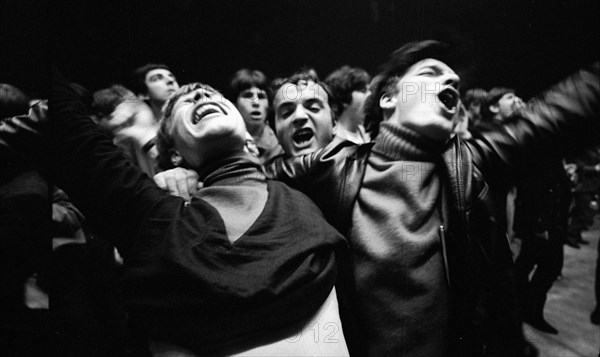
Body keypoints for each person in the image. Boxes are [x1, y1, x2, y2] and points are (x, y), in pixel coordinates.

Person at [261, 42, 599, 356]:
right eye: (428, 74)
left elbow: (560, 114)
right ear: (388, 99)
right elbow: (257, 179)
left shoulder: (468, 165)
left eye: (452, 80)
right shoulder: (332, 169)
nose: (450, 79)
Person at [50, 70, 350, 356]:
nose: (201, 96)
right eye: (186, 102)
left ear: (249, 137)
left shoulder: (310, 187)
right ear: (174, 152)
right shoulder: (156, 216)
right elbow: (70, 129)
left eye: (212, 94)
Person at [268, 69, 336, 159]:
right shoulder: (260, 173)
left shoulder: (359, 167)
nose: (299, 116)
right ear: (275, 131)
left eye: (313, 108)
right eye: (286, 113)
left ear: (335, 122)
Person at [227, 69, 283, 164]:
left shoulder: (281, 143)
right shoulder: (225, 142)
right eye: (248, 96)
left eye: (261, 96)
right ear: (235, 104)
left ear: (268, 105)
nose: (256, 102)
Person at [325, 65, 371, 144]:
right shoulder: (332, 140)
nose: (370, 95)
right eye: (363, 90)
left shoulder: (366, 135)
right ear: (343, 98)